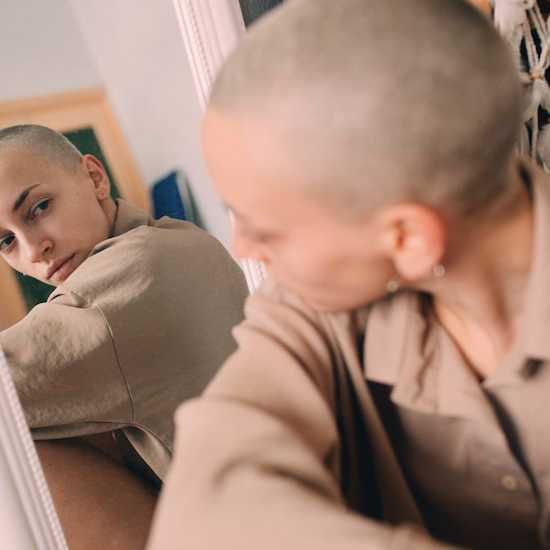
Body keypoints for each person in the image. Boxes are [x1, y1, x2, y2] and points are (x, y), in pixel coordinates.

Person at [146, 1, 550, 549]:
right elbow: (203, 513)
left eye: (264, 228)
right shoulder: (308, 304)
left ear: (407, 239)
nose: (241, 246)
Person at [0, 124, 248, 547]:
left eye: (39, 208)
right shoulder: (180, 239)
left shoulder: (115, 288)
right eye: (6, 241)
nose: (32, 249)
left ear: (95, 177)